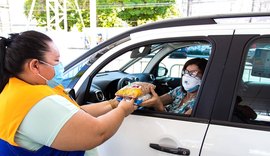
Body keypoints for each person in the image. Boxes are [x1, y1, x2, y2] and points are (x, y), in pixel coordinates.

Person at [0, 30, 137, 155]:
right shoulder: (34, 101)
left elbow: (72, 116)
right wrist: (123, 110)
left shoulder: (18, 90)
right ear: (35, 65)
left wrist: (113, 103)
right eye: (56, 61)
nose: (60, 66)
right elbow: (98, 133)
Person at [141, 58, 208, 115]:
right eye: (186, 72)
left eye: (193, 73)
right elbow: (157, 100)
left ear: (204, 75)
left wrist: (158, 106)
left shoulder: (201, 102)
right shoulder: (179, 91)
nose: (187, 76)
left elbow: (179, 123)